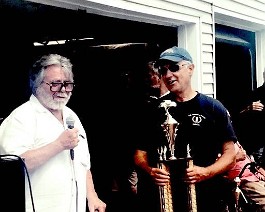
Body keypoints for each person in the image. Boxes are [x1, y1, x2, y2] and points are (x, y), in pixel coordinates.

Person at [133, 46, 237, 212]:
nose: (168, 75)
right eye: (163, 70)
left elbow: (230, 154)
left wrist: (206, 172)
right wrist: (151, 171)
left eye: (174, 68)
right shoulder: (154, 109)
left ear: (190, 69)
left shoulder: (212, 108)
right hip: (163, 200)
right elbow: (139, 154)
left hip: (204, 198)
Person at [0, 54, 106, 212]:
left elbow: (83, 163)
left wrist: (92, 195)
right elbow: (11, 170)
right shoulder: (20, 118)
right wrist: (58, 145)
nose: (63, 90)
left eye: (67, 84)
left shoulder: (72, 116)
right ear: (37, 84)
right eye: (55, 84)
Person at [222, 141, 265, 211]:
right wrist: (237, 158)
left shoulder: (232, 140)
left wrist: (260, 170)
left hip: (256, 175)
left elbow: (252, 161)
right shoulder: (218, 144)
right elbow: (214, 167)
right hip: (244, 180)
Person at [235, 71, 265, 165]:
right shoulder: (255, 93)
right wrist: (248, 108)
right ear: (264, 75)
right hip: (256, 142)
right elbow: (236, 115)